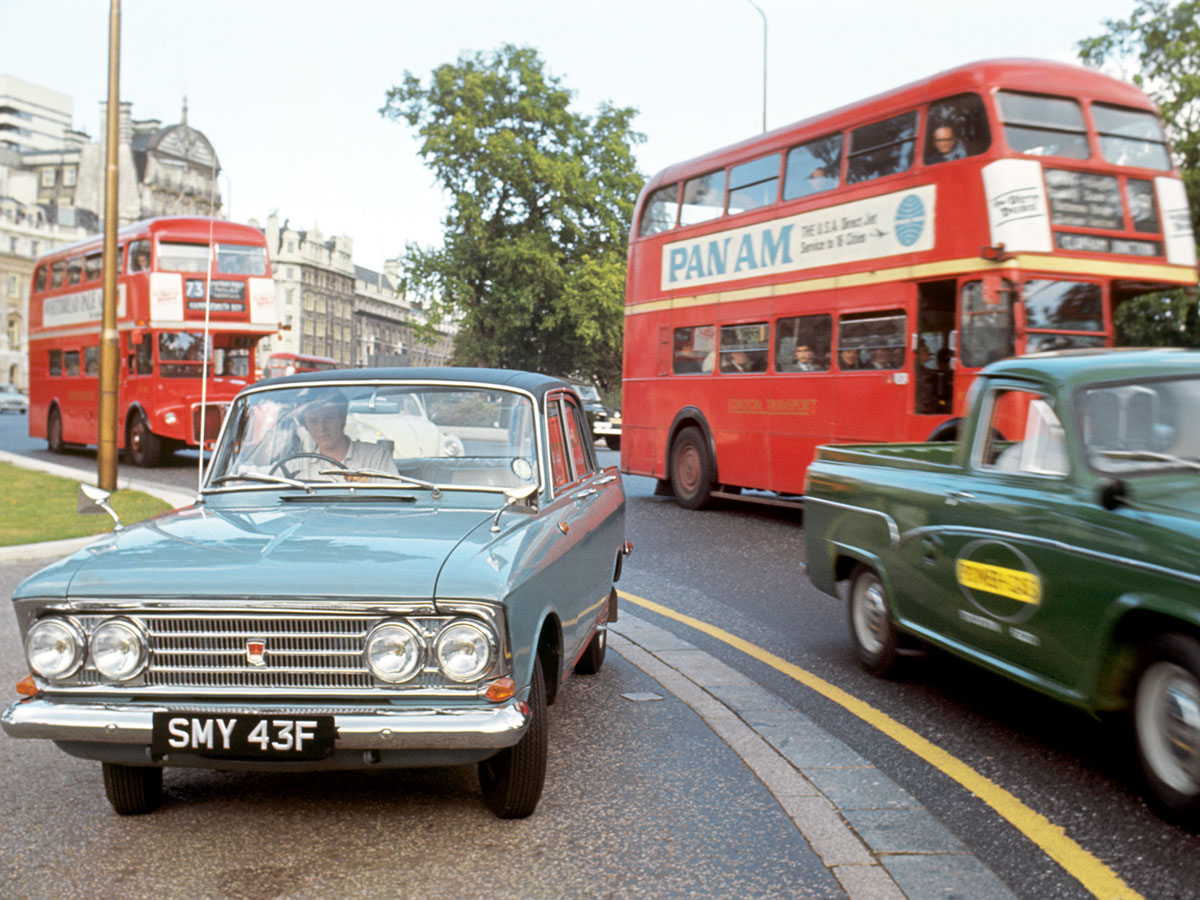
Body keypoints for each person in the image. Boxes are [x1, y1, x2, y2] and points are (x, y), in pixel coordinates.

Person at [291, 390, 398, 480]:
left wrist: (367, 490)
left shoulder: (376, 456)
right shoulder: (295, 465)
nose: (321, 428)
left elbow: (394, 499)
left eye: (329, 418)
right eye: (313, 421)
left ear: (343, 418)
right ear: (305, 426)